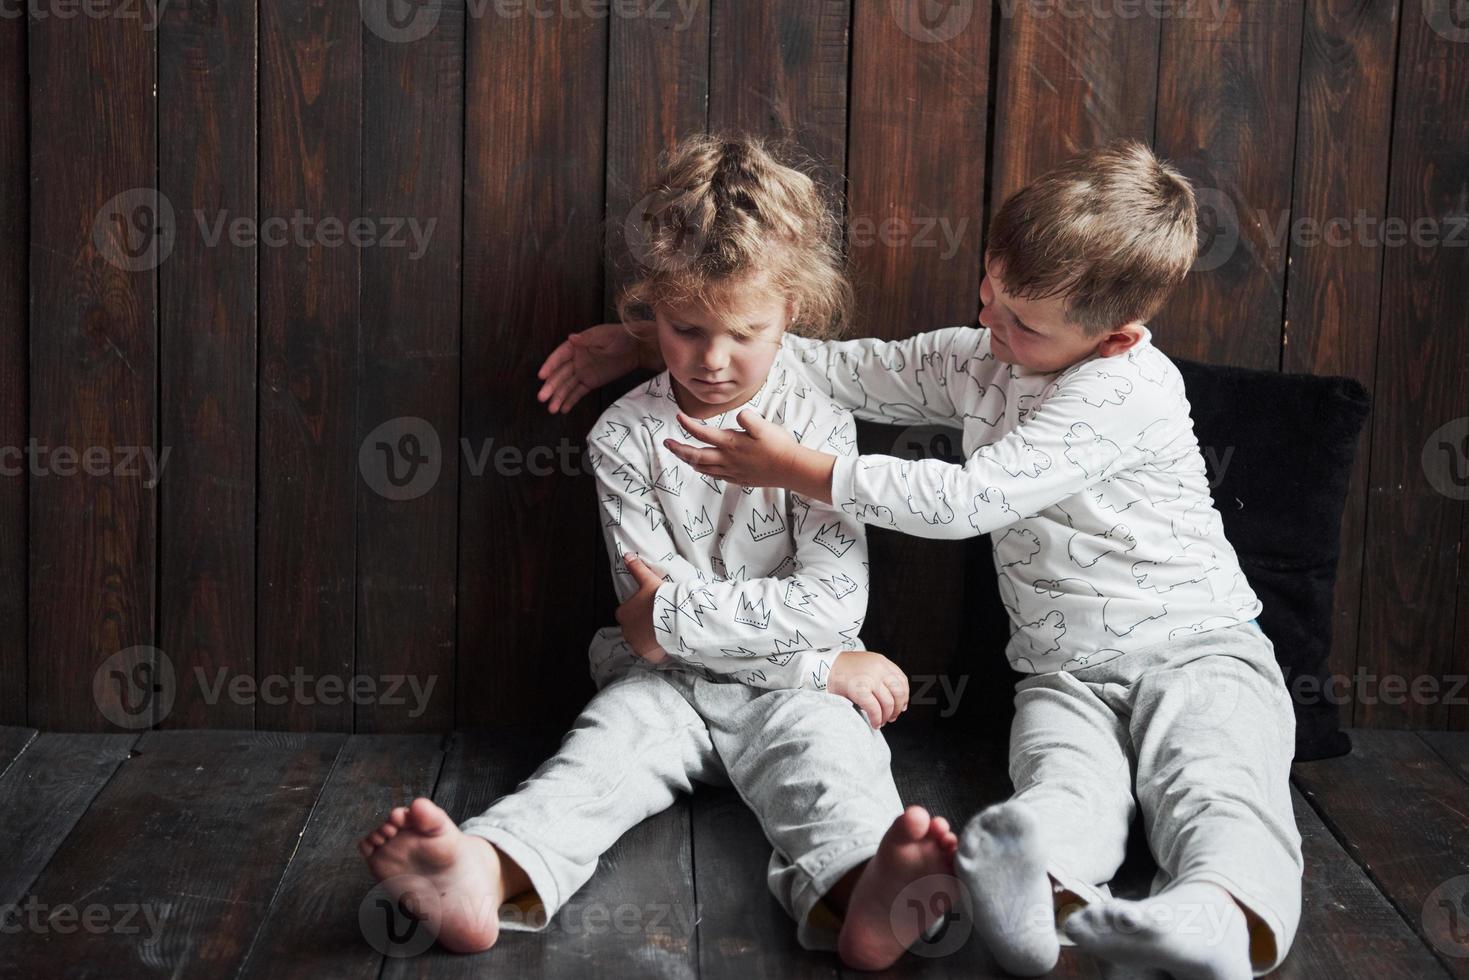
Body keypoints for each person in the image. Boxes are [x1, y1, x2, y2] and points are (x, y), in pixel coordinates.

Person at [539, 139, 1303, 980]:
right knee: (1057, 791)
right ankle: (1038, 901)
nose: (989, 327)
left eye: (1021, 322)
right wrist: (645, 338)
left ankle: (1217, 914)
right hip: (1060, 670)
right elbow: (832, 363)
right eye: (990, 293)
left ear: (1115, 338)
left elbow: (968, 500)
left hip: (1197, 647)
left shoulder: (1120, 391)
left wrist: (805, 472)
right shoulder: (987, 357)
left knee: (1214, 784)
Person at [362, 133, 964, 972]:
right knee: (594, 761)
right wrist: (807, 662)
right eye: (684, 329)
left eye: (743, 332)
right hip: (671, 688)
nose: (712, 361)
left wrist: (794, 671)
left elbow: (830, 606)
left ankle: (862, 889)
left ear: (791, 312)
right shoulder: (624, 436)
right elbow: (647, 630)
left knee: (836, 768)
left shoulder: (819, 422)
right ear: (647, 313)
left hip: (801, 691)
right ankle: (484, 869)